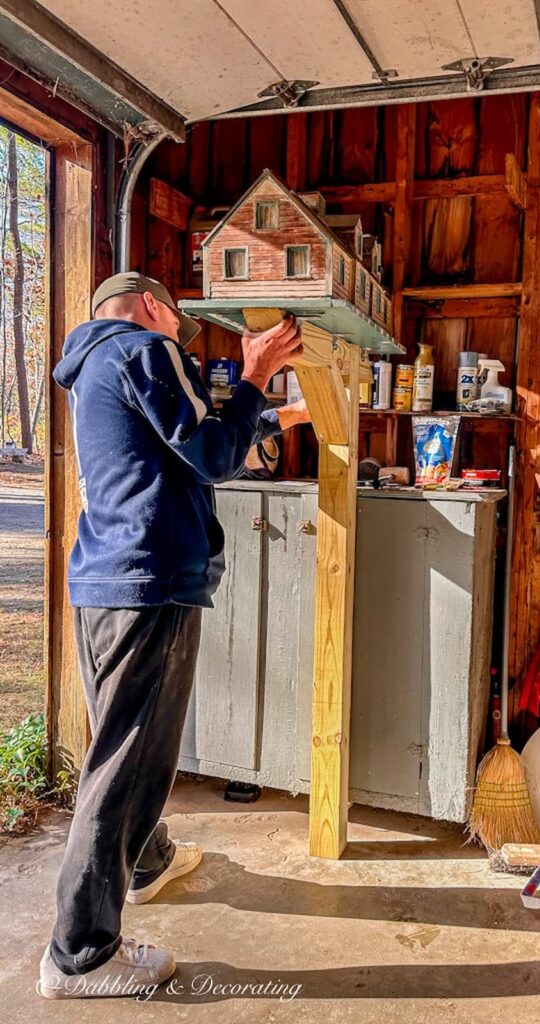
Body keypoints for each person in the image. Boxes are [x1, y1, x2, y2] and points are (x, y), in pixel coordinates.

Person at [38, 272, 308, 999]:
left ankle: (149, 863)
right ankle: (81, 955)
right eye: (179, 325)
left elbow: (170, 450)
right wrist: (254, 373)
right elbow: (211, 456)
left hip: (107, 579)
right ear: (154, 308)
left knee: (122, 743)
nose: (182, 343)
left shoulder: (95, 363)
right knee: (128, 764)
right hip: (149, 579)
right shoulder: (145, 352)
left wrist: (273, 414)